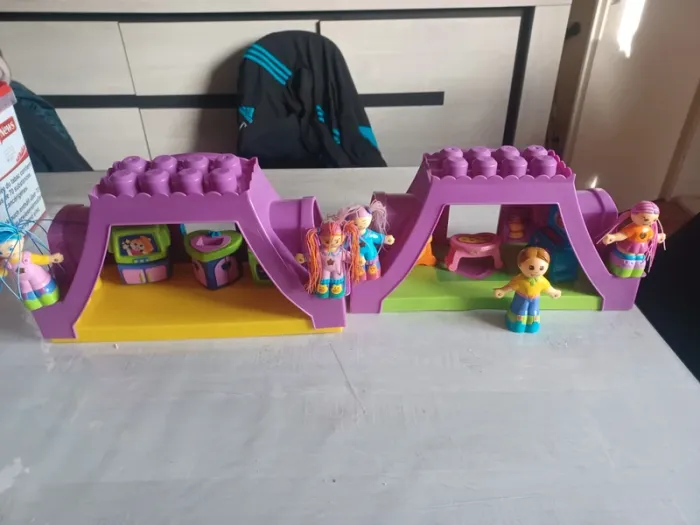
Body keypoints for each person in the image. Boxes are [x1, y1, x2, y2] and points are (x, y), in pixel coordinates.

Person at [494, 246, 561, 333]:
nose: (536, 271)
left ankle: (532, 325)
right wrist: (502, 291)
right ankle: (516, 325)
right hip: (521, 298)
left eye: (541, 268)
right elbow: (511, 286)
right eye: (531, 268)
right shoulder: (519, 280)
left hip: (535, 300)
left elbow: (548, 288)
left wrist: (554, 292)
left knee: (533, 312)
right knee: (520, 311)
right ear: (520, 265)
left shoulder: (542, 281)